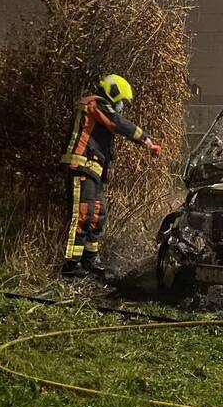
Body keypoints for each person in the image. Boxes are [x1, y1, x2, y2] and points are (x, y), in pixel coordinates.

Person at [60, 74, 160, 277]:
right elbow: (117, 122)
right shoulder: (94, 104)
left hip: (92, 170)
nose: (121, 106)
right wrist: (146, 140)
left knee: (98, 214)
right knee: (83, 214)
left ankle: (90, 259)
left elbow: (104, 143)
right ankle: (71, 265)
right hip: (81, 166)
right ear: (113, 93)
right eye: (121, 101)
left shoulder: (99, 111)